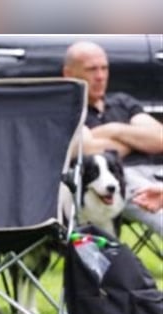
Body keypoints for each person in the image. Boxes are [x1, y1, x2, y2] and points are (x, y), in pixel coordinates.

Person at [63, 40, 163, 236]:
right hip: (115, 179)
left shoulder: (122, 102)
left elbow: (159, 139)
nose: (100, 76)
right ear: (69, 73)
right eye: (91, 69)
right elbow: (86, 149)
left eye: (104, 68)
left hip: (155, 170)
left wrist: (114, 129)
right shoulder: (68, 110)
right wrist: (136, 140)